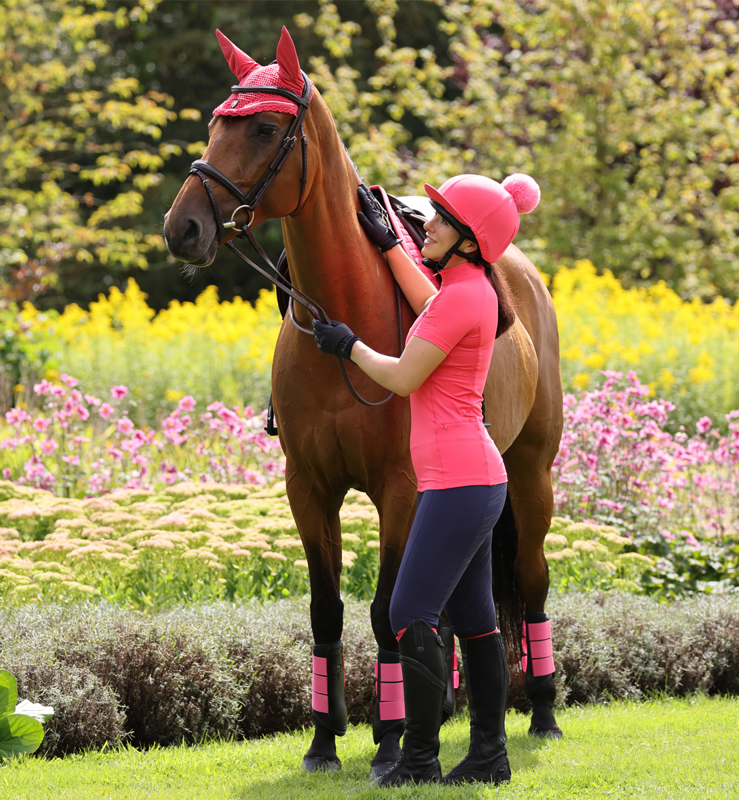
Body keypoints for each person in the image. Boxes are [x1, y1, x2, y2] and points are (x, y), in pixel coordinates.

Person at [312, 173, 540, 786]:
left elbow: (405, 376)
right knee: (477, 618)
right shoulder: (463, 288)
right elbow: (423, 296)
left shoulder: (464, 298)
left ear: (469, 240)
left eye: (439, 218)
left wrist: (349, 346)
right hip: (467, 479)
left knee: (411, 608)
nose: (428, 226)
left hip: (460, 483)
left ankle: (417, 759)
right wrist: (389, 244)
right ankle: (490, 756)